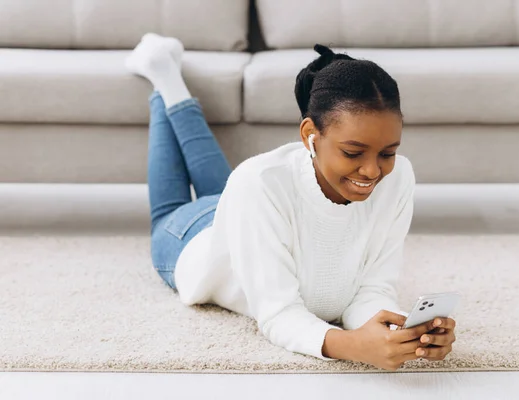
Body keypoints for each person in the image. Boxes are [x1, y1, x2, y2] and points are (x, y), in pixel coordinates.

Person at [125, 34, 456, 371]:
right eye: (353, 152)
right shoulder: (259, 183)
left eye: (388, 152)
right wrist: (351, 345)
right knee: (173, 207)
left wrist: (399, 331)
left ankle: (166, 74)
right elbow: (278, 313)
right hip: (194, 240)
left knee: (230, 186)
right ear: (309, 134)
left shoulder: (398, 177)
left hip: (250, 210)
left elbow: (371, 289)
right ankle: (163, 77)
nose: (373, 170)